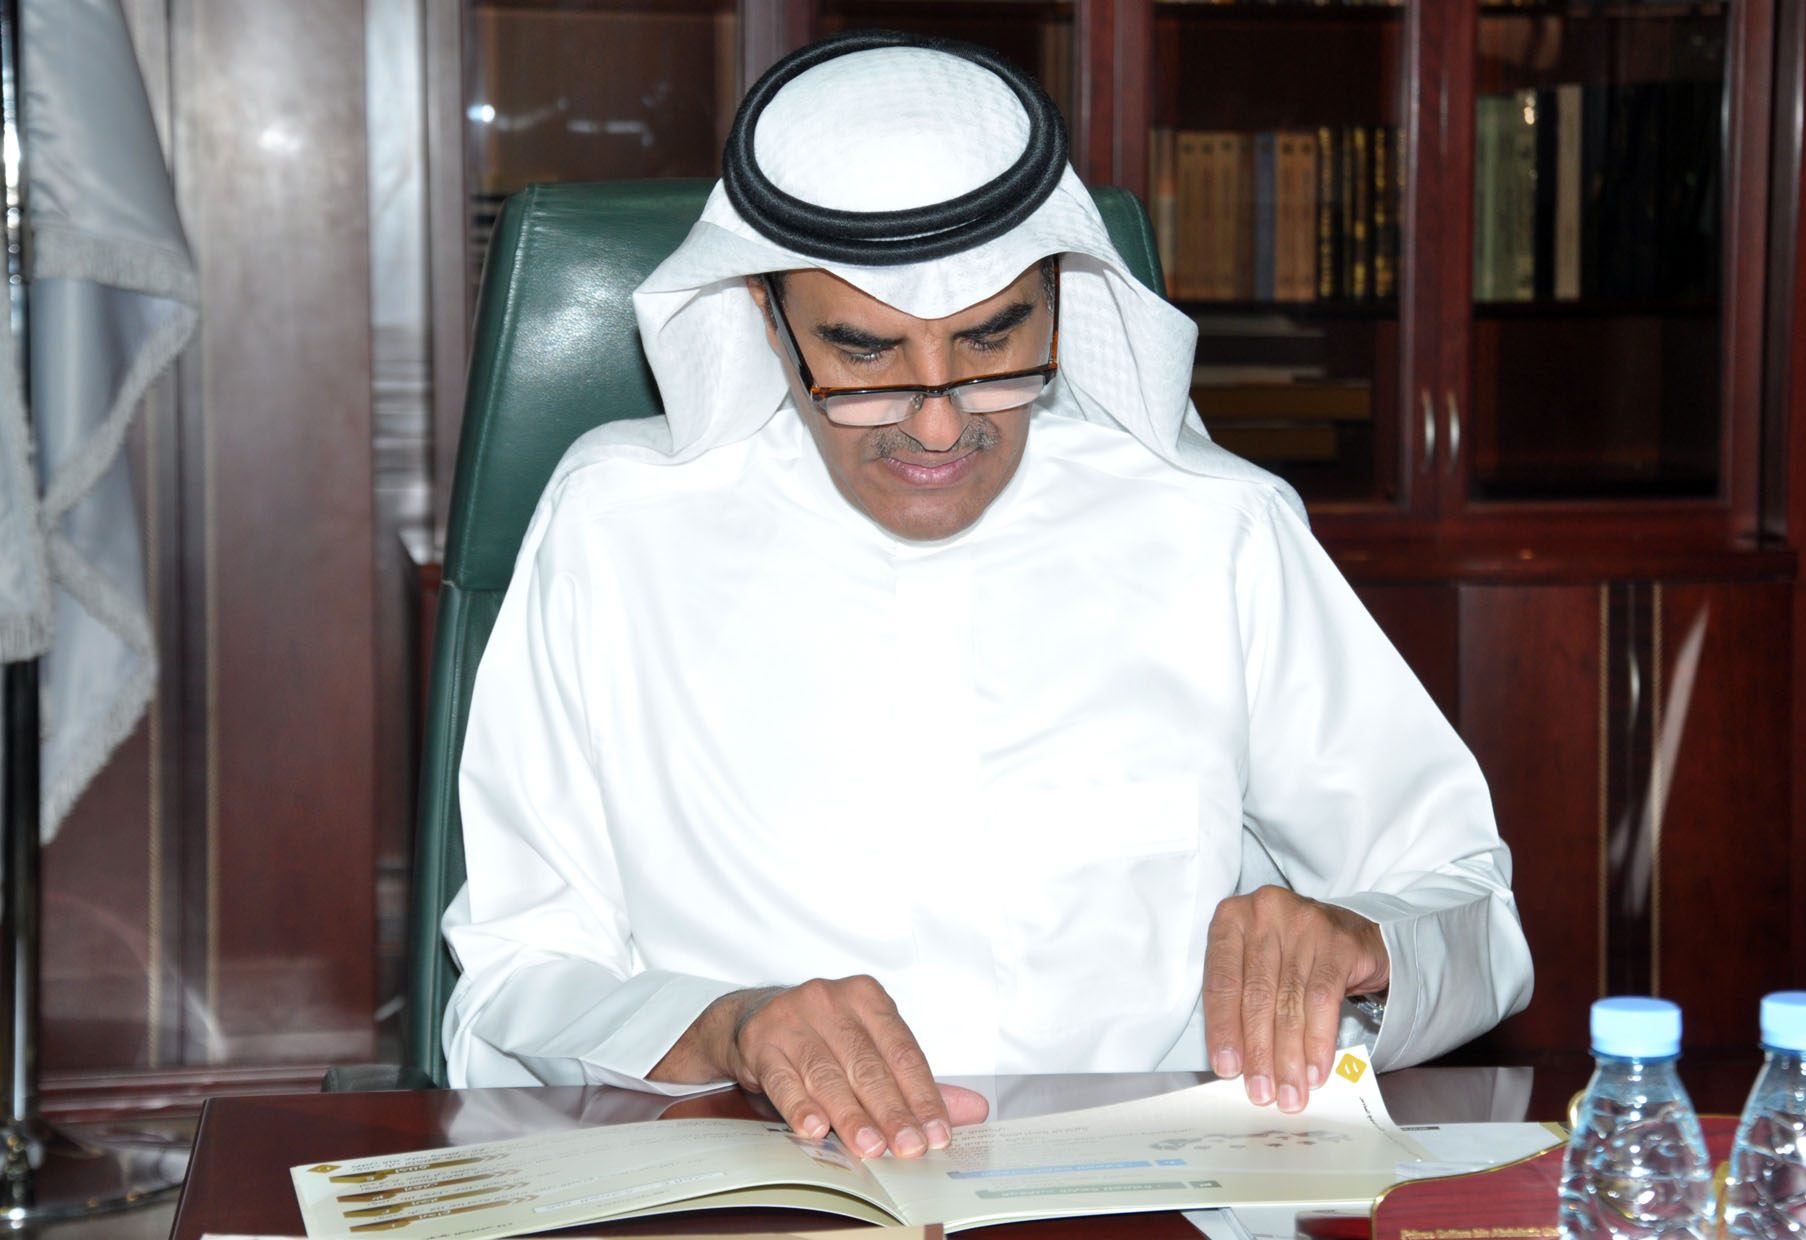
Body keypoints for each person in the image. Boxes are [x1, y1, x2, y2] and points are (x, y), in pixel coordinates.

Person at [440, 29, 1532, 1162]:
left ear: (1058, 300)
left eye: (991, 342)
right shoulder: (617, 531)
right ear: (767, 318)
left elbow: (1469, 906)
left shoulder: (1214, 528)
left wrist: (1360, 942)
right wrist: (727, 1027)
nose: (937, 422)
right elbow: (514, 985)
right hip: (760, 1190)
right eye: (864, 357)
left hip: (1145, 1195)